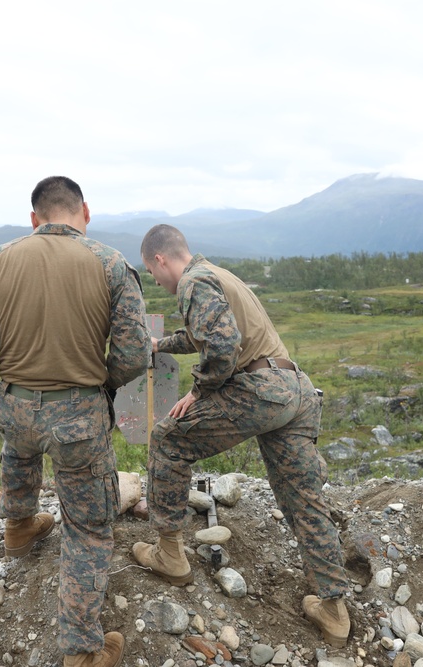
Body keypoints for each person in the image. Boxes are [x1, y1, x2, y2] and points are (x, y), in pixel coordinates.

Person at [0, 176, 151, 667]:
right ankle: (82, 651)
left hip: (15, 406)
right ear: (85, 212)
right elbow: (132, 353)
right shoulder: (111, 264)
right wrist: (104, 388)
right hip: (80, 418)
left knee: (18, 445)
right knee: (86, 530)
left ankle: (18, 526)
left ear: (34, 218)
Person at [133, 223, 351, 648]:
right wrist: (161, 345)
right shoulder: (217, 274)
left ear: (160, 259)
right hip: (294, 390)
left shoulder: (192, 283)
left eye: (151, 271)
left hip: (258, 391)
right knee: (301, 498)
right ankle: (333, 609)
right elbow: (207, 334)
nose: (156, 282)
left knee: (167, 439)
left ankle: (169, 554)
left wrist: (198, 390)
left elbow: (223, 346)